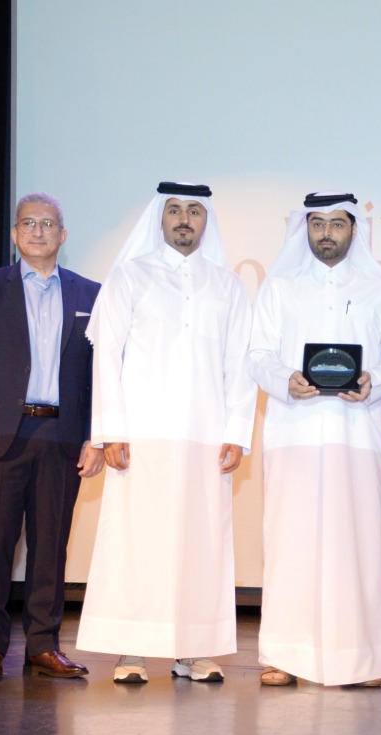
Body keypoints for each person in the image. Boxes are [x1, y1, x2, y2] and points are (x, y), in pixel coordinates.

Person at [76, 182, 256, 683]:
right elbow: (106, 356)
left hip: (205, 436)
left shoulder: (228, 285)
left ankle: (193, 649)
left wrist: (237, 432)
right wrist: (109, 431)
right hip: (140, 435)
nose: (184, 219)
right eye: (174, 210)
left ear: (206, 221)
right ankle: (131, 649)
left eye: (194, 211)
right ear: (160, 218)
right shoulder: (129, 277)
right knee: (137, 543)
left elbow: (239, 364)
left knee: (200, 545)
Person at [249, 192, 381, 688]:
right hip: (293, 434)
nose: (326, 233)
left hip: (357, 436)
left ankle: (359, 660)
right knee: (289, 545)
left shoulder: (379, 290)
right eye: (317, 224)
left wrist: (373, 381)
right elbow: (258, 354)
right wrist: (285, 380)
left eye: (336, 224)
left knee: (358, 545)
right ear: (306, 229)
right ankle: (284, 655)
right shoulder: (279, 289)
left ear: (353, 230)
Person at [0, 192, 103, 682]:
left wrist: (96, 437)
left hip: (62, 437)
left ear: (63, 235)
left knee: (50, 548)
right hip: (1, 437)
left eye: (48, 223)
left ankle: (43, 646)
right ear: (15, 235)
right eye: (27, 223)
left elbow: (100, 374)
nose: (38, 231)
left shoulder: (90, 294)